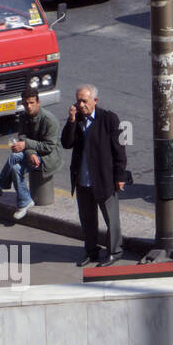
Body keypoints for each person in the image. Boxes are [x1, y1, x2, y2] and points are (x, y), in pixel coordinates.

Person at [61, 84, 127, 267]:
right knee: (87, 219)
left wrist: (119, 176)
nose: (81, 105)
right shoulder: (78, 120)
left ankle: (115, 251)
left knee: (111, 220)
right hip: (83, 179)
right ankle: (91, 250)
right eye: (78, 101)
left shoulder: (109, 119)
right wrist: (71, 121)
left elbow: (119, 150)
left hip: (104, 179)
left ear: (95, 101)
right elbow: (66, 143)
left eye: (85, 101)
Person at [0, 88, 61, 219]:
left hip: (48, 157)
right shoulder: (23, 117)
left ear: (38, 102)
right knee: (15, 168)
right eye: (25, 104)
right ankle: (24, 201)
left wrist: (26, 146)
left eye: (31, 103)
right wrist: (30, 151)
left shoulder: (49, 120)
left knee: (15, 156)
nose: (28, 106)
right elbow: (23, 136)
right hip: (33, 153)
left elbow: (48, 146)